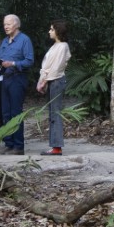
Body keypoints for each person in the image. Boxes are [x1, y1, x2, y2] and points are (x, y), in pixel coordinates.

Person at [0, 13, 34, 156]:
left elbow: (29, 61)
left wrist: (13, 63)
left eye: (9, 24)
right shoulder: (5, 41)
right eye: (4, 24)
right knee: (5, 112)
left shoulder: (24, 40)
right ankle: (9, 143)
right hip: (5, 79)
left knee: (16, 113)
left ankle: (18, 146)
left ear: (17, 25)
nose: (5, 26)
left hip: (18, 79)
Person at [36, 20, 72, 156]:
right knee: (52, 112)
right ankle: (54, 145)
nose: (49, 31)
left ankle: (57, 147)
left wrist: (44, 81)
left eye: (51, 29)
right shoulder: (55, 46)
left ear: (58, 31)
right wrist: (42, 80)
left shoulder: (63, 46)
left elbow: (56, 67)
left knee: (55, 112)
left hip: (56, 80)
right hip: (51, 80)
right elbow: (47, 66)